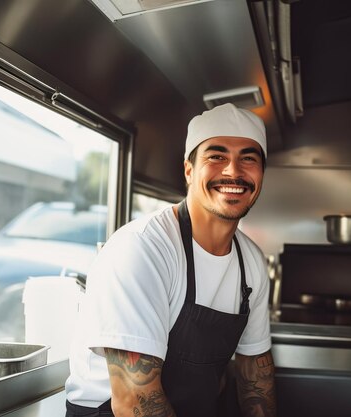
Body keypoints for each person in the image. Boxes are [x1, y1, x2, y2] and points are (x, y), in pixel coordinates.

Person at [65, 103, 276, 417]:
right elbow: (134, 402)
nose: (233, 171)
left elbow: (255, 380)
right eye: (216, 156)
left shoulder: (252, 262)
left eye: (248, 158)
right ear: (189, 171)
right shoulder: (142, 249)